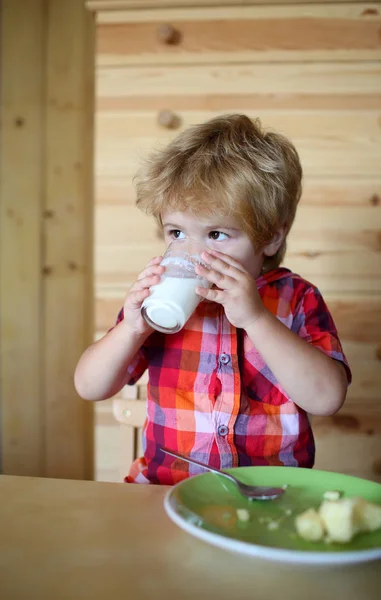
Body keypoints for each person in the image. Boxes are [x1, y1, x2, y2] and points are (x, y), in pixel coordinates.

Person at [75, 114, 351, 485]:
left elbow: (326, 399)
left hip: (265, 496)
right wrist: (131, 329)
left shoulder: (296, 299)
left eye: (217, 234)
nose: (193, 253)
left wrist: (256, 319)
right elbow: (90, 387)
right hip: (166, 491)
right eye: (176, 232)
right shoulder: (156, 299)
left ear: (270, 237)